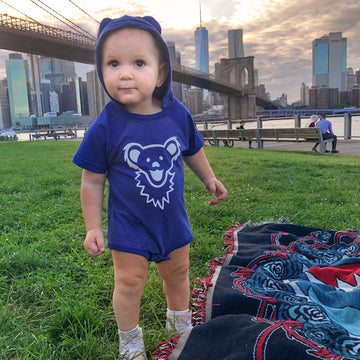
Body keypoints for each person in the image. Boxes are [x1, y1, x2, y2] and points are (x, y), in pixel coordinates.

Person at [72, 15, 227, 360]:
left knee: (179, 273)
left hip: (172, 221)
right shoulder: (105, 126)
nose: (125, 73)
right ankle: (130, 340)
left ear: (160, 73)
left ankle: (179, 322)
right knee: (129, 282)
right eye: (113, 63)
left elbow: (192, 149)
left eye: (138, 63)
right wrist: (93, 227)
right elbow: (92, 180)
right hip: (130, 225)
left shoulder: (177, 114)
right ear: (101, 71)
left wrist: (209, 178)